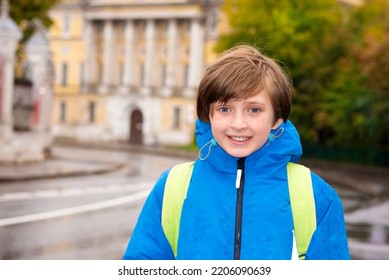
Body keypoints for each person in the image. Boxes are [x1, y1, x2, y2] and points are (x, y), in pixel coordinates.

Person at [122, 44, 350, 260]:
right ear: (208, 116)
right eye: (224, 108)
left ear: (277, 119)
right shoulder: (172, 187)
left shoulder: (316, 196)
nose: (238, 123)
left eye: (254, 109)